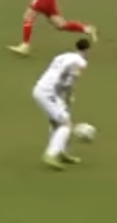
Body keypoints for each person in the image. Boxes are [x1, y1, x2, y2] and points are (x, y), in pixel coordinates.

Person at [32, 36, 91, 169]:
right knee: (66, 124)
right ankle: (50, 154)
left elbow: (55, 74)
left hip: (42, 88)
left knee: (56, 122)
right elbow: (70, 81)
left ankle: (62, 152)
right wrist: (69, 96)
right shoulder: (81, 62)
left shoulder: (62, 56)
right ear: (87, 50)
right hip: (48, 93)